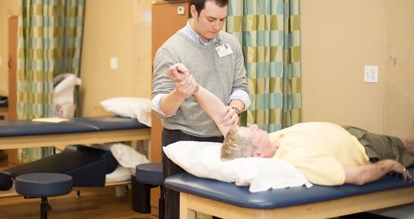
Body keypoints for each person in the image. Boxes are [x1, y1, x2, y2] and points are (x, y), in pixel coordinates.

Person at [167, 63, 414, 187]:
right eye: (253, 133)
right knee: (406, 143)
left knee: (405, 141)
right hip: (364, 148)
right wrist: (390, 164)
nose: (254, 127)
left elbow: (220, 113)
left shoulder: (259, 145)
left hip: (344, 132)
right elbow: (359, 177)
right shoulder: (297, 160)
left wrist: (192, 86)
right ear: (259, 155)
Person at [152, 0, 251, 218]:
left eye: (222, 20)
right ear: (194, 11)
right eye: (211, 19)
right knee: (178, 210)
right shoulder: (170, 51)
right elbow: (159, 108)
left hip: (221, 137)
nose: (216, 27)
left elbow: (241, 88)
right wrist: (179, 93)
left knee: (225, 208)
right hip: (182, 139)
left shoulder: (230, 44)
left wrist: (235, 108)